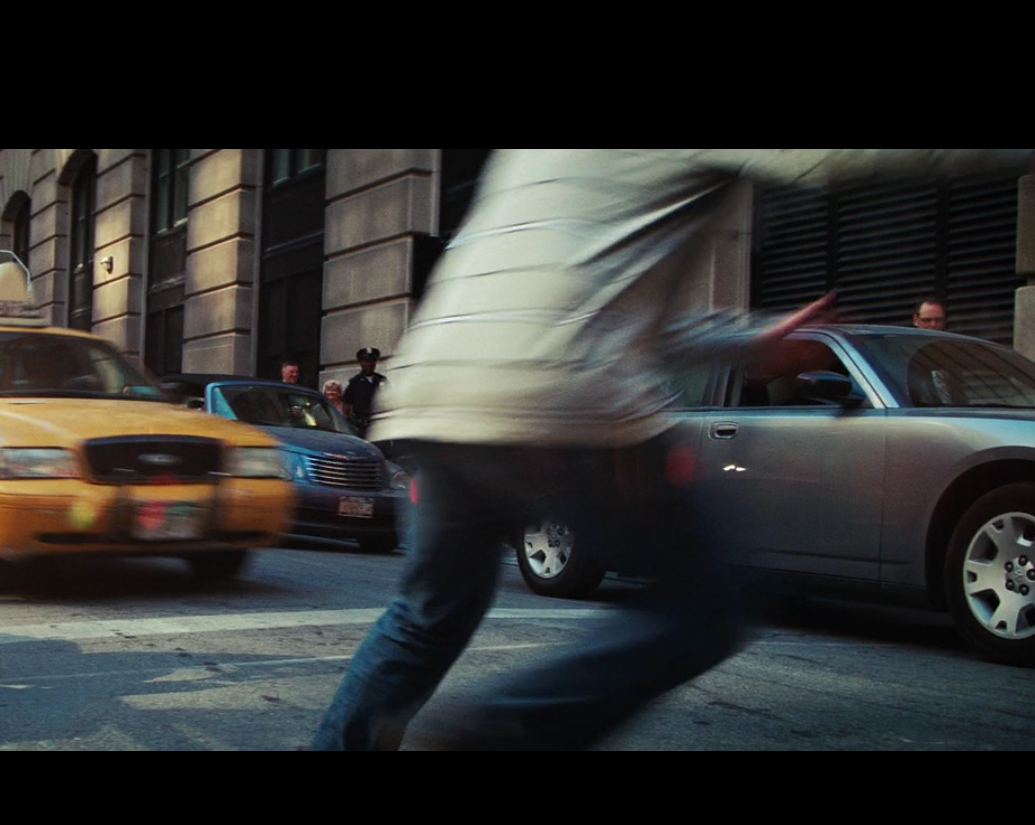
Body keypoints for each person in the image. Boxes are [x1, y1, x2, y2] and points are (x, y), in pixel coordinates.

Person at [310, 148, 1030, 751]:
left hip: (438, 387)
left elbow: (611, 302)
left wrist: (747, 343)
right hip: (558, 389)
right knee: (705, 604)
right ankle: (490, 733)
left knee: (427, 615)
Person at [343, 347, 387, 438]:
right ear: (360, 362)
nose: (370, 364)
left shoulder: (382, 380)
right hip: (361, 427)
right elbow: (346, 406)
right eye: (366, 361)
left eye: (373, 361)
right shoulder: (354, 382)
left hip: (380, 425)